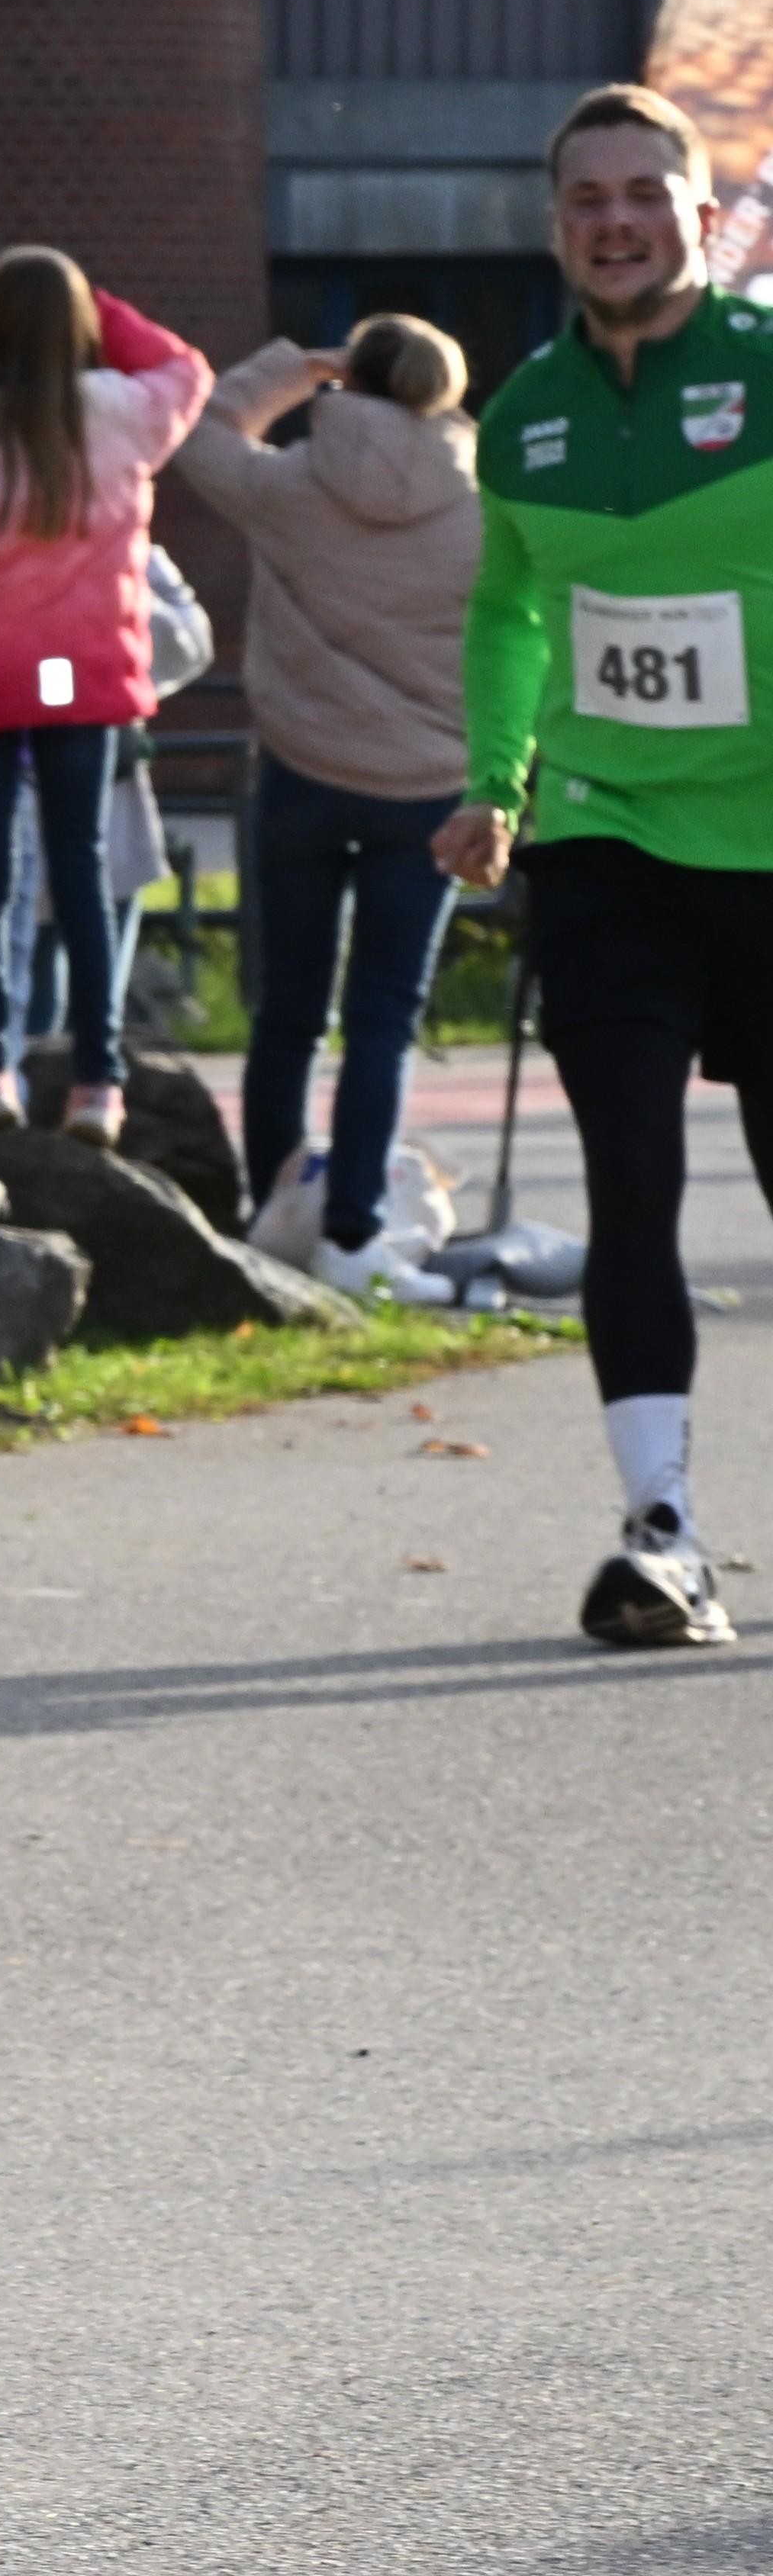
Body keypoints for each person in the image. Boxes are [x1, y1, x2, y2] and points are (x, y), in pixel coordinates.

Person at [440, 82, 773, 1649]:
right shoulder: (522, 414)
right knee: (627, 1176)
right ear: (557, 222)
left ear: (701, 215)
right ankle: (661, 1530)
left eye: (646, 191)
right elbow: (507, 612)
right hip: (603, 835)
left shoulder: (766, 373)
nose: (617, 221)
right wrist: (490, 784)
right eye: (587, 199)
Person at [168, 314, 482, 1294]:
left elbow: (200, 431)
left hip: (301, 771)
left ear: (347, 378)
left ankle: (271, 1210)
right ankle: (352, 1233)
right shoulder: (477, 506)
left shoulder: (286, 488)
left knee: (288, 1014)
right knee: (381, 1018)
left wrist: (284, 373)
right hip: (423, 784)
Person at [0, 248, 206, 1146]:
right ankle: (98, 1081)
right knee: (80, 870)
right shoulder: (121, 416)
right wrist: (94, 296)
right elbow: (185, 367)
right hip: (83, 677)